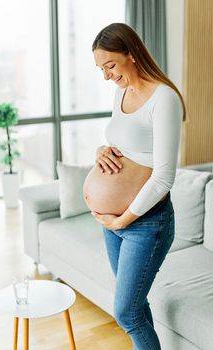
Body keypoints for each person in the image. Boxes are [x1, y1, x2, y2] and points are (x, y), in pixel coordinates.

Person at [89, 23, 185, 350]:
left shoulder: (164, 98)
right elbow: (123, 144)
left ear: (131, 54)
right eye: (100, 69)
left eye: (110, 65)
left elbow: (164, 175)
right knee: (136, 308)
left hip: (146, 224)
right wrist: (101, 151)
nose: (106, 76)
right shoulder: (120, 93)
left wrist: (123, 219)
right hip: (114, 224)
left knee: (126, 313)